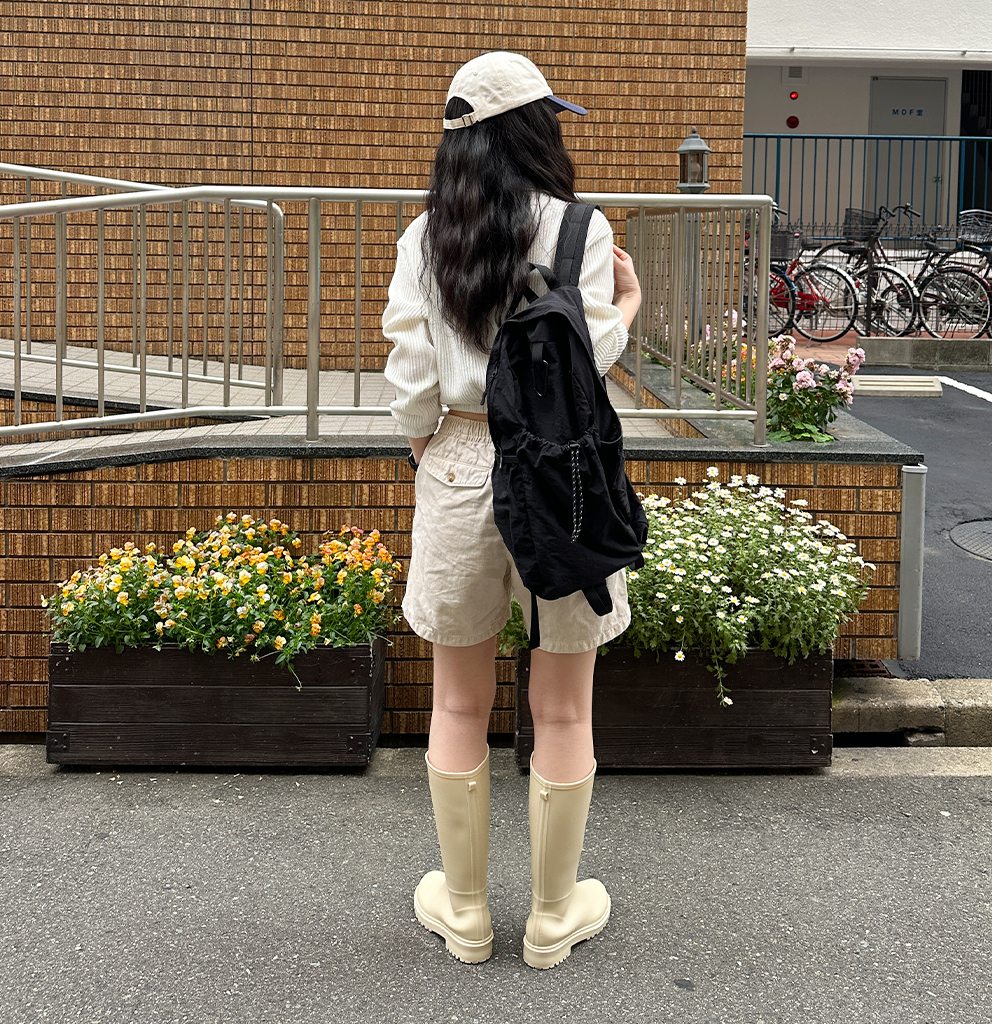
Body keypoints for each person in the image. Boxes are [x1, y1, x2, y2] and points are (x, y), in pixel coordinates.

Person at [382, 51, 642, 969]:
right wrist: (628, 305)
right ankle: (551, 916)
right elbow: (587, 359)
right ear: (534, 130)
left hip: (458, 458)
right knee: (563, 710)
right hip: (561, 474)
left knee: (458, 699)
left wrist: (427, 444)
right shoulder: (581, 228)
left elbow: (411, 369)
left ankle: (464, 914)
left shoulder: (427, 236)